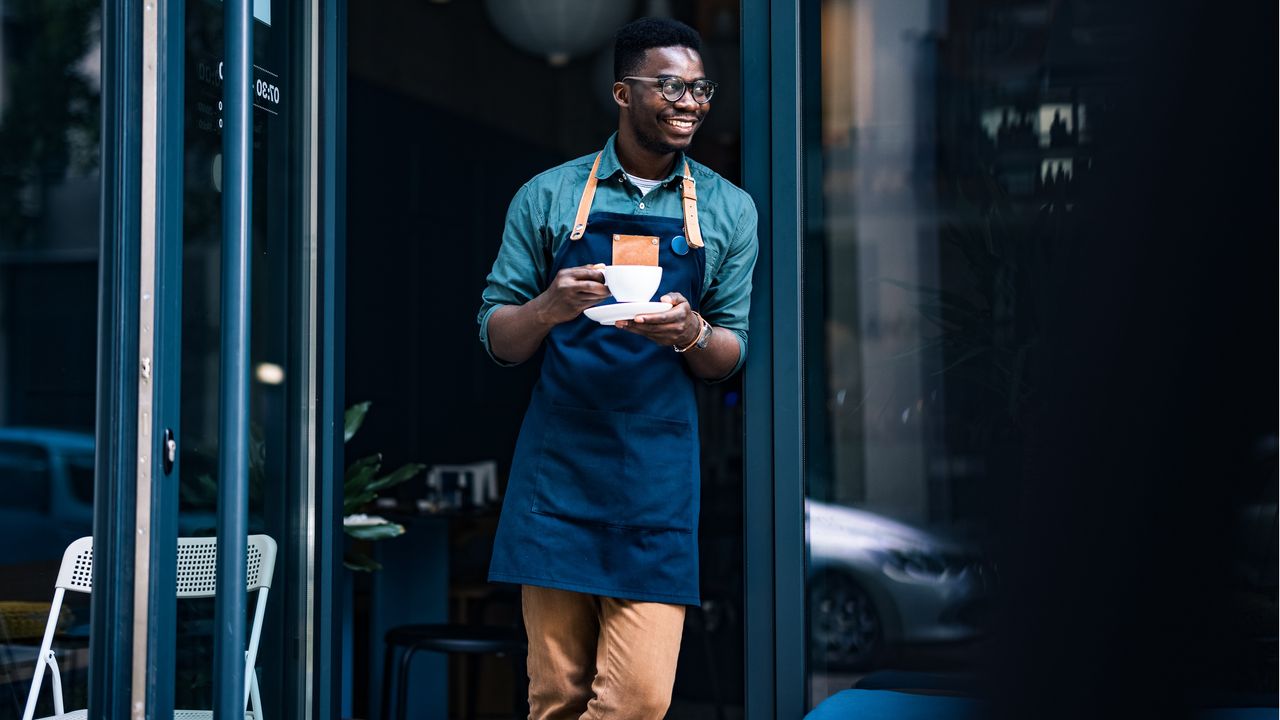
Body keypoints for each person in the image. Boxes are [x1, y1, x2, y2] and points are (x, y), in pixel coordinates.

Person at [476, 16, 758, 720]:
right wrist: (549, 306)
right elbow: (498, 337)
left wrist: (692, 330)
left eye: (701, 88)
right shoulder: (547, 197)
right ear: (623, 94)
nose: (690, 101)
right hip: (560, 470)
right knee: (557, 696)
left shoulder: (728, 210)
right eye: (671, 85)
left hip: (658, 478)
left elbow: (729, 354)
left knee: (636, 698)